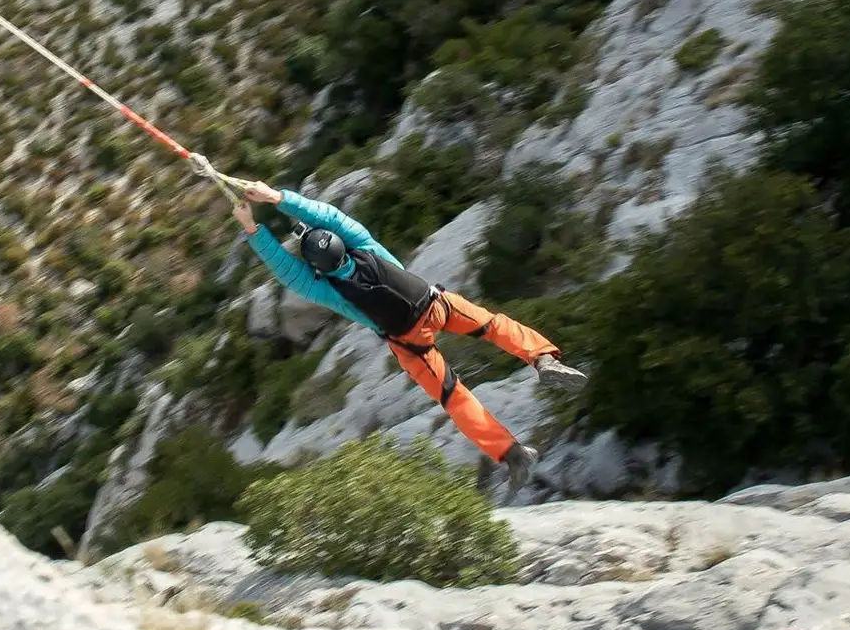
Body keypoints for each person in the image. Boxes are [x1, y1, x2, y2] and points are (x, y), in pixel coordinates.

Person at [230, 179, 585, 492]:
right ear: (342, 245)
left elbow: (286, 270)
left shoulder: (327, 289)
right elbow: (330, 216)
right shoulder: (365, 245)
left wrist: (251, 228)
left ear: (317, 268)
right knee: (494, 325)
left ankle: (512, 454)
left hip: (409, 343)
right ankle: (542, 359)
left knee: (454, 397)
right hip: (437, 305)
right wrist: (276, 197)